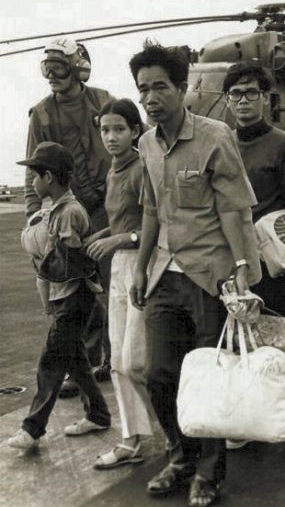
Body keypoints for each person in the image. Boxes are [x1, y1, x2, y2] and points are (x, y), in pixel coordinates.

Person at [128, 40, 261, 506]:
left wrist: (243, 268)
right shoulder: (145, 143)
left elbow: (235, 210)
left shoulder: (215, 136)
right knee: (158, 372)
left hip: (211, 274)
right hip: (165, 273)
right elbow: (149, 211)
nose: (149, 97)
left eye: (159, 87)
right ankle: (180, 454)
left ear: (183, 88)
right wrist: (141, 268)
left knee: (209, 377)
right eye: (143, 89)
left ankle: (208, 472)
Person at [25, 37, 114, 395]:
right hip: (70, 212)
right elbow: (34, 169)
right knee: (77, 289)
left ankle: (116, 357)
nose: (51, 75)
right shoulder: (41, 113)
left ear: (78, 67)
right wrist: (34, 217)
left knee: (115, 285)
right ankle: (86, 366)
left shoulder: (104, 101)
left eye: (58, 67)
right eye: (46, 68)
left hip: (110, 206)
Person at [8, 142, 111, 450]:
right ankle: (99, 414)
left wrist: (39, 255)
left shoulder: (68, 213)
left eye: (35, 176)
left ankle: (32, 428)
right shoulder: (55, 211)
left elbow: (67, 263)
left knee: (51, 361)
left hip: (76, 297)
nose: (32, 183)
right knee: (76, 361)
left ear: (49, 177)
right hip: (67, 296)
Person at [85, 99, 155, 469]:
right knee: (116, 362)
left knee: (135, 361)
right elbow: (122, 220)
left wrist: (117, 240)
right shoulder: (114, 171)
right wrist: (101, 235)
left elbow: (153, 227)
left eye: (118, 129)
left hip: (144, 265)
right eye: (105, 130)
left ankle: (174, 426)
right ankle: (131, 441)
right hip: (118, 269)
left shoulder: (142, 169)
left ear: (135, 131)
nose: (111, 137)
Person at [223, 61, 285, 316]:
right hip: (230, 253)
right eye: (235, 93)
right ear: (227, 99)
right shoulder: (222, 143)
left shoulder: (284, 144)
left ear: (264, 97)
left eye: (251, 92)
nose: (243, 100)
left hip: (271, 257)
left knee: (275, 333)